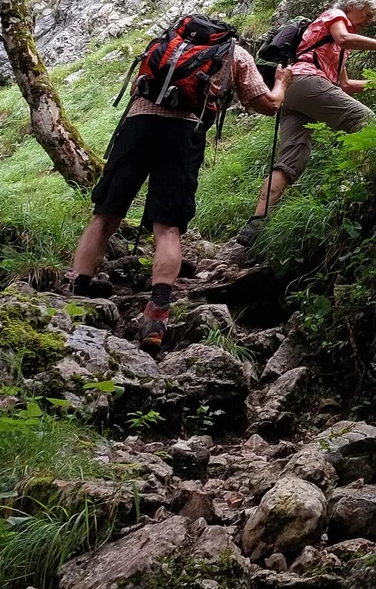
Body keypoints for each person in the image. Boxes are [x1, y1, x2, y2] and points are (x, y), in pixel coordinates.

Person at [66, 33, 293, 352]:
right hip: (182, 132)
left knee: (104, 216)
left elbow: (135, 89)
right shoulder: (233, 53)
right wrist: (282, 82)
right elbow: (267, 105)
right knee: (167, 228)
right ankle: (157, 316)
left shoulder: (164, 45)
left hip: (136, 126)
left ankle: (76, 298)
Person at [235, 0, 376, 249]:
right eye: (368, 15)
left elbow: (344, 84)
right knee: (365, 118)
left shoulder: (335, 42)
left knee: (292, 160)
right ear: (356, 6)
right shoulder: (335, 16)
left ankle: (256, 222)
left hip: (293, 90)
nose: (367, 22)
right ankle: (357, 187)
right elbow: (344, 39)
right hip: (306, 81)